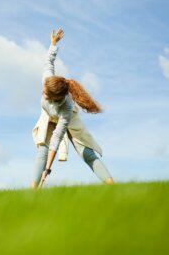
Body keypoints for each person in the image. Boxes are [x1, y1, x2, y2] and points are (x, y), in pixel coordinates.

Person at [31, 29, 114, 188]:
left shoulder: (67, 109)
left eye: (46, 94)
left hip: (66, 119)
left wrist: (47, 170)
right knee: (42, 150)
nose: (43, 93)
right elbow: (49, 61)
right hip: (48, 116)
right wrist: (53, 44)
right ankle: (32, 192)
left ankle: (113, 187)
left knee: (87, 153)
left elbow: (57, 138)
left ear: (57, 98)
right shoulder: (47, 80)